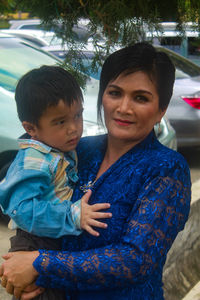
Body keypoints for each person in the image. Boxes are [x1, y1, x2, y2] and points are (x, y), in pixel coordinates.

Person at [0, 42, 191, 300]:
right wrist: (17, 267)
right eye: (114, 93)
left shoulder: (166, 170)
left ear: (161, 110)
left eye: (140, 98)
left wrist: (38, 263)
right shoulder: (80, 149)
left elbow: (134, 260)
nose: (123, 107)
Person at [0, 65, 111, 300]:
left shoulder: (56, 148)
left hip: (49, 241)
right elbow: (22, 209)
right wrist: (73, 216)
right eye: (60, 122)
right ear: (31, 128)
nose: (74, 128)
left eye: (78, 115)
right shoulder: (33, 161)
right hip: (33, 242)